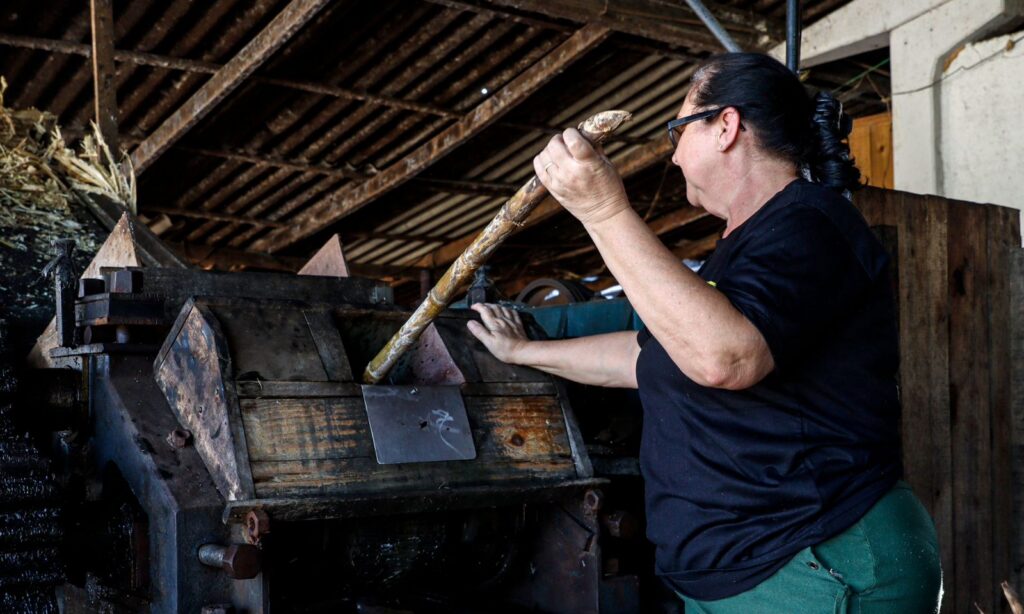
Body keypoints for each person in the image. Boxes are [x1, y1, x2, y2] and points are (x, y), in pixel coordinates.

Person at [466, 53, 942, 613]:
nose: (672, 152)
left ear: (726, 126)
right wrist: (522, 350)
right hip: (746, 572)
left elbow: (725, 357)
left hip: (815, 564)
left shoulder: (809, 222)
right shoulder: (738, 252)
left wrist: (600, 208)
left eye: (677, 129)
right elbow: (641, 355)